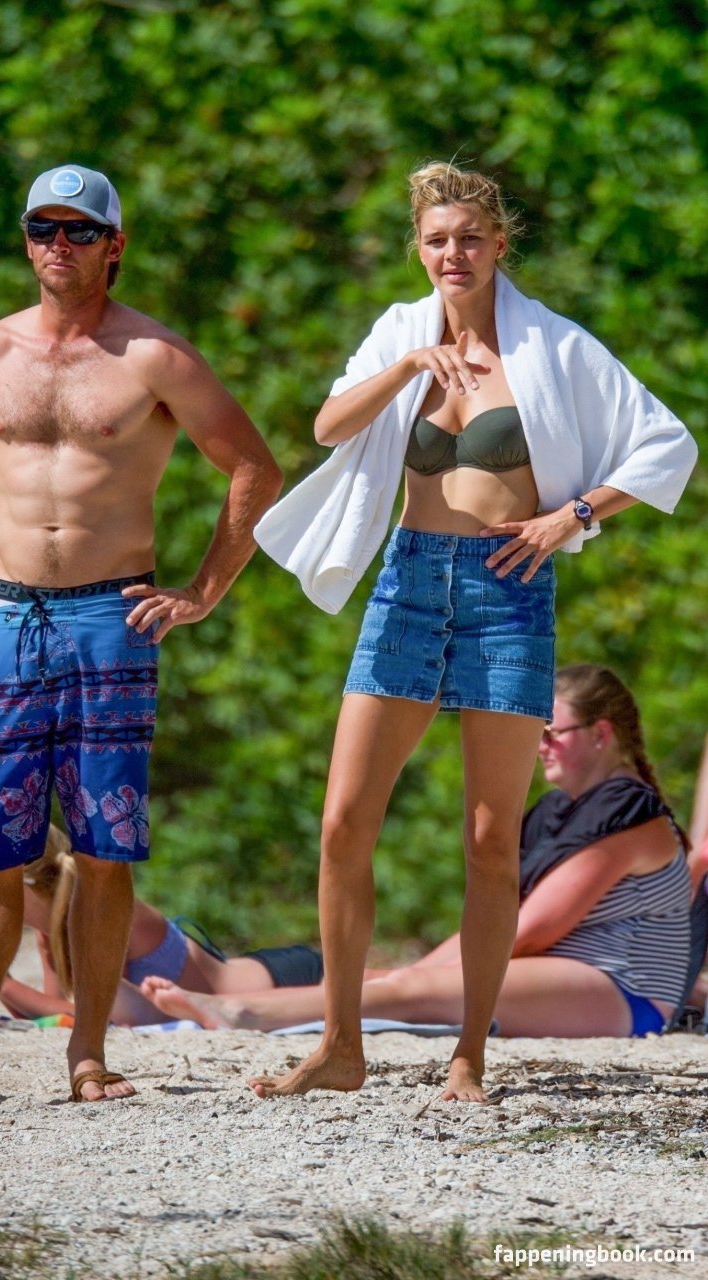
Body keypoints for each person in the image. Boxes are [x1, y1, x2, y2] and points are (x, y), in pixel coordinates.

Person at [251, 161, 697, 1102]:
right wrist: (408, 367)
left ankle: (469, 1057)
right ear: (419, 250)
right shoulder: (400, 331)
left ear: (499, 244)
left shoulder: (555, 346)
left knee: (492, 841)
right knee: (342, 824)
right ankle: (339, 1046)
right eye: (435, 240)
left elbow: (669, 443)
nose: (452, 254)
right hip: (408, 584)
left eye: (468, 238)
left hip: (507, 591)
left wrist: (572, 516)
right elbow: (329, 426)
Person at [0, 164, 282, 1110]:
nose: (61, 244)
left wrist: (203, 590)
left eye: (81, 230)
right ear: (25, 240)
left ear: (114, 244)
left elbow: (254, 469)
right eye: (44, 228)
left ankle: (88, 1056)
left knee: (103, 844)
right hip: (10, 616)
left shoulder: (154, 357)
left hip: (110, 617)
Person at [140, 665, 692, 1041]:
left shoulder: (632, 816)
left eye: (551, 732)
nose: (537, 745)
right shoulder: (562, 810)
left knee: (409, 989)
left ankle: (243, 1014)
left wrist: (412, 975)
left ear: (600, 734)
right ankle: (210, 1006)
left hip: (626, 991)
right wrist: (409, 971)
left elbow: (532, 929)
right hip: (571, 974)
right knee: (398, 980)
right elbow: (507, 921)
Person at [0, 824, 324, 1026]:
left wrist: (2, 985)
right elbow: (57, 1015)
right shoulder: (49, 934)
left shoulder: (99, 911)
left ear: (29, 885)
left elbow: (97, 1015)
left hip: (283, 979)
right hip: (256, 981)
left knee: (355, 995)